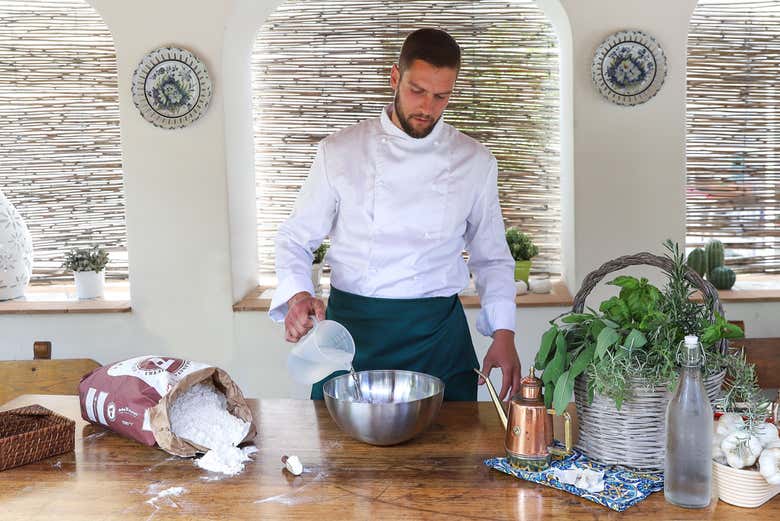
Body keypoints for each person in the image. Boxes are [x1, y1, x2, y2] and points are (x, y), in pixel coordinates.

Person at [269, 28, 521, 401]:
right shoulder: (339, 152)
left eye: (441, 96)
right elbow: (295, 238)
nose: (427, 107)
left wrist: (504, 334)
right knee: (340, 456)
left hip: (437, 337)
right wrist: (298, 296)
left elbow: (493, 258)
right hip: (352, 333)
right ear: (394, 78)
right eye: (417, 91)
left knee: (449, 456)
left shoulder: (475, 161)